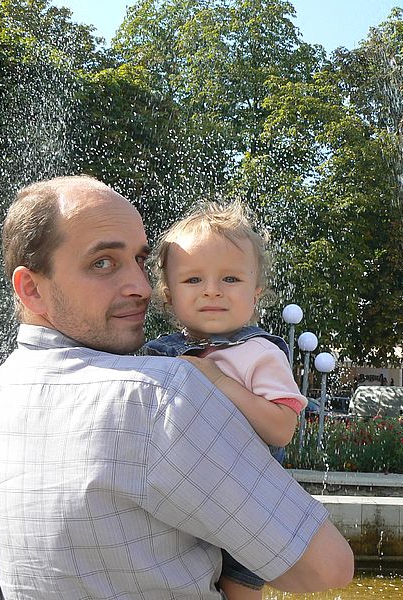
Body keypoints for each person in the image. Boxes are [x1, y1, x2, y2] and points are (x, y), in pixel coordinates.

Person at [0, 175, 353, 599]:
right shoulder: (160, 392)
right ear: (32, 289)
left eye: (140, 262)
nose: (143, 288)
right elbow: (326, 569)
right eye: (103, 263)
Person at [143, 202, 305, 600]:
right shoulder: (154, 354)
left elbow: (282, 430)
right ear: (169, 295)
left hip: (245, 507)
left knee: (238, 588)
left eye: (230, 278)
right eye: (194, 279)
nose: (212, 289)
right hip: (178, 506)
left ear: (255, 294)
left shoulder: (259, 353)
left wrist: (218, 380)